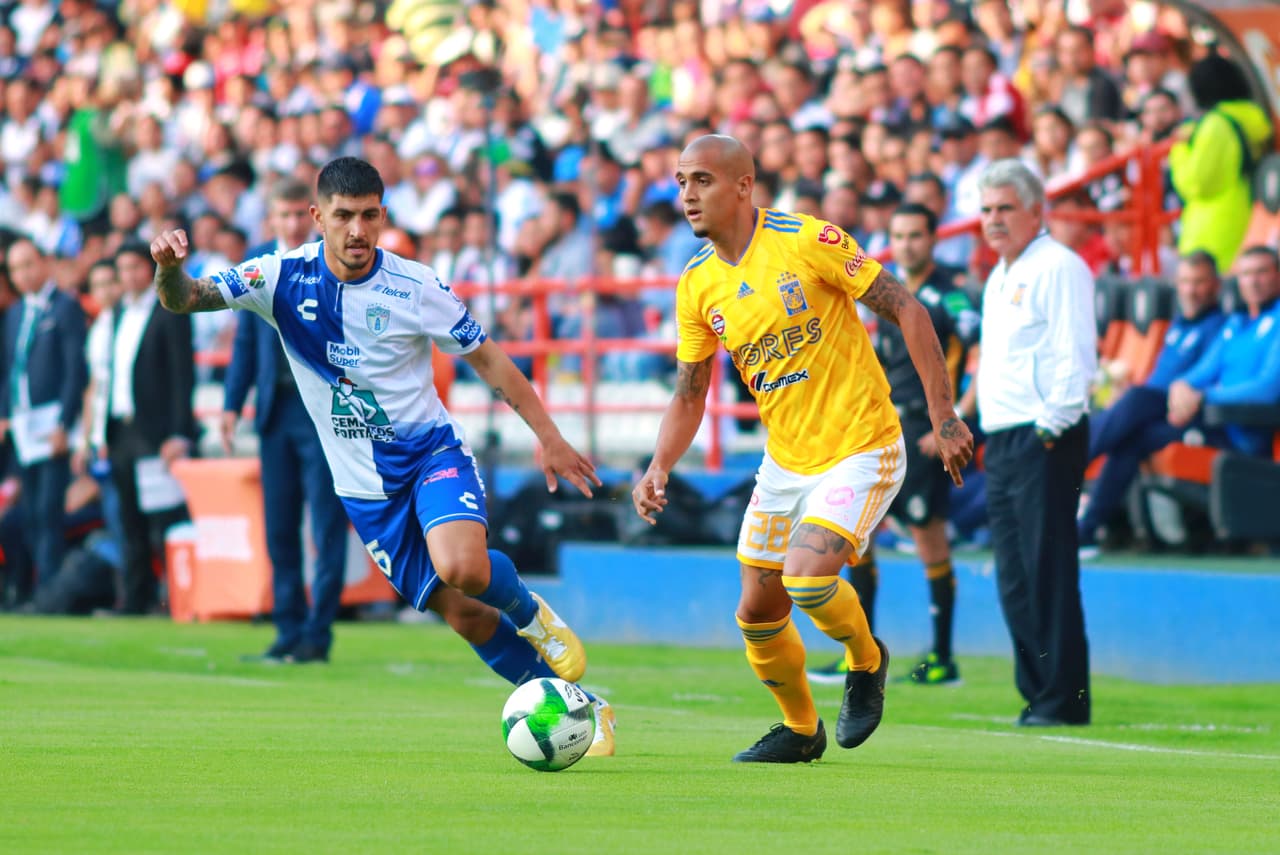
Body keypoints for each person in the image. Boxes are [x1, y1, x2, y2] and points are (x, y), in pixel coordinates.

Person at [148, 156, 616, 757]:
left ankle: (530, 611)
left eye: (369, 216)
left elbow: (490, 360)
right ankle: (582, 708)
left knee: (464, 567)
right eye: (343, 216)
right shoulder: (277, 276)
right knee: (464, 615)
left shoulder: (415, 286)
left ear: (384, 215)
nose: (357, 231)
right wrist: (168, 269)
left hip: (429, 454)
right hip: (365, 489)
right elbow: (186, 299)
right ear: (317, 217)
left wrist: (548, 435)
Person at [631, 135, 973, 763]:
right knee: (757, 611)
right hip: (786, 460)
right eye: (680, 182)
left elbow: (909, 309)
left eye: (701, 180)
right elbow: (690, 393)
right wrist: (659, 466)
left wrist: (944, 413)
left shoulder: (807, 240)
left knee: (807, 581)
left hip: (863, 443)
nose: (685, 196)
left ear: (742, 185)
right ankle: (800, 729)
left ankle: (867, 662)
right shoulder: (697, 285)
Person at [808, 203, 980, 687]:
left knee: (928, 535)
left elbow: (977, 350)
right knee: (859, 539)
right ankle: (858, 652)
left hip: (926, 435)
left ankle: (943, 658)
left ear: (933, 239)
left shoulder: (951, 295)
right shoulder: (885, 290)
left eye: (916, 235)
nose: (907, 244)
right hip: (882, 430)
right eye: (898, 235)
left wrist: (952, 416)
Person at [976, 159, 1096, 727]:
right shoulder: (999, 276)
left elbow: (1075, 355)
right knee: (1014, 574)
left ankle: (1063, 697)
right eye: (986, 210)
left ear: (1035, 211)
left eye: (1005, 208)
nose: (994, 220)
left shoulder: (1058, 267)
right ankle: (1037, 692)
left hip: (1043, 434)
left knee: (1047, 568)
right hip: (1001, 437)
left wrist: (1053, 424)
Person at [222, 178, 350, 665]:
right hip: (274, 410)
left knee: (325, 526)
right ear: (271, 219)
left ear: (314, 216)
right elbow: (244, 342)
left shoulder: (333, 261)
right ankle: (288, 629)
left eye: (301, 213)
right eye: (285, 214)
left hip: (323, 412)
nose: (294, 222)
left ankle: (317, 636)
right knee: (279, 527)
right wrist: (232, 405)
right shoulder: (258, 262)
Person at [1078, 251, 1227, 554]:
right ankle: (1086, 531)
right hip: (1154, 413)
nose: (1191, 290)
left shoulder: (1221, 327)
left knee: (1135, 401)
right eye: (1184, 281)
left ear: (1215, 285)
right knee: (1130, 438)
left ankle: (1067, 460)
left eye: (1199, 282)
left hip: (1191, 417)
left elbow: (1205, 381)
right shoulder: (1178, 326)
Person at [106, 241, 198, 615]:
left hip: (156, 433)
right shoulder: (115, 314)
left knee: (164, 520)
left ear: (149, 269)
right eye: (122, 269)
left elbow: (182, 375)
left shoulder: (169, 310)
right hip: (121, 430)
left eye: (134, 268)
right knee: (128, 521)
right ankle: (136, 599)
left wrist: (179, 432)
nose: (129, 276)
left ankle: (174, 598)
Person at [0, 239, 87, 597]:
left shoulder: (65, 307)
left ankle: (51, 591)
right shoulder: (16, 313)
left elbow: (73, 371)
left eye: (27, 265)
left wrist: (63, 423)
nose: (21, 274)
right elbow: (10, 371)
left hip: (51, 425)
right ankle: (34, 587)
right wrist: (5, 414)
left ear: (45, 263)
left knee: (49, 511)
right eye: (15, 268)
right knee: (30, 512)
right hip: (24, 426)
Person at [1169, 53, 1273, 274]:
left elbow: (1196, 183)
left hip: (1212, 226)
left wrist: (1178, 149)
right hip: (1240, 211)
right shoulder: (1248, 119)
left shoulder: (1215, 125)